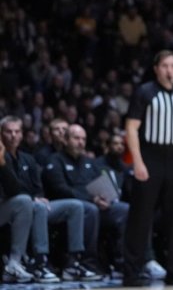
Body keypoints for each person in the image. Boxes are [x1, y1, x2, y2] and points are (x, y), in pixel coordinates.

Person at [123, 49, 173, 286]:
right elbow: (131, 129)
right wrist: (137, 162)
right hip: (149, 155)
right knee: (140, 217)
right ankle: (132, 271)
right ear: (156, 69)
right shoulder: (145, 93)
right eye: (165, 66)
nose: (170, 70)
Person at [1, 116, 89, 283]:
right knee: (28, 203)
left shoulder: (28, 158)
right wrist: (34, 198)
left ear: (22, 134)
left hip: (32, 203)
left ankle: (73, 262)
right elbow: (11, 190)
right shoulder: (2, 158)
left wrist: (39, 197)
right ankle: (40, 263)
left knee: (75, 206)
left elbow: (38, 187)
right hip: (13, 206)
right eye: (8, 131)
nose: (13, 135)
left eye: (17, 131)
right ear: (1, 135)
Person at [42, 124, 122, 280]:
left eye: (83, 139)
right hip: (68, 208)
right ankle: (88, 261)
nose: (80, 142)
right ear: (65, 140)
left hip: (96, 204)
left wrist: (106, 198)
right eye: (76, 138)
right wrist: (92, 199)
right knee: (89, 209)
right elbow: (60, 189)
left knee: (125, 210)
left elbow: (101, 184)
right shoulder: (54, 160)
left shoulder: (89, 162)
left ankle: (122, 262)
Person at [0, 124, 35, 284]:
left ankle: (14, 263)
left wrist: (2, 164)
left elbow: (15, 190)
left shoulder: (5, 157)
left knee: (23, 201)